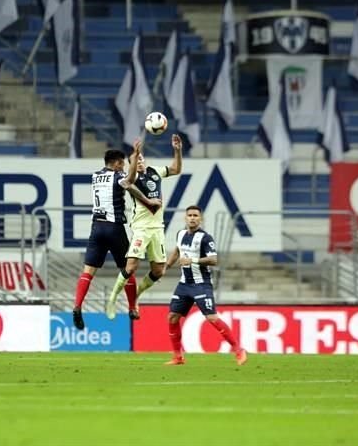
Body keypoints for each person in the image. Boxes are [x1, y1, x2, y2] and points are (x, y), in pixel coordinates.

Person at [72, 148, 160, 330]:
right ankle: (132, 307)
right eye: (123, 163)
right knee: (128, 268)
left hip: (96, 228)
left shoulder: (96, 176)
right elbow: (129, 183)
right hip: (114, 228)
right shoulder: (117, 175)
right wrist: (149, 201)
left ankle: (77, 306)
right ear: (118, 163)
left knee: (88, 272)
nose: (124, 166)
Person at [106, 134, 182, 319]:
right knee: (131, 266)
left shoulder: (155, 171)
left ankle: (137, 295)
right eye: (135, 160)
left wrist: (178, 151)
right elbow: (129, 181)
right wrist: (134, 154)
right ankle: (113, 298)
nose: (139, 161)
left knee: (159, 271)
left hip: (157, 228)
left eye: (140, 158)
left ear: (145, 160)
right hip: (141, 227)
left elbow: (176, 169)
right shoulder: (129, 177)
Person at [163, 205, 247, 366]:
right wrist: (166, 266)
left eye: (195, 215)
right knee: (172, 317)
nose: (192, 218)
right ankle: (178, 357)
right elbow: (177, 251)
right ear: (185, 218)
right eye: (190, 215)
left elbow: (213, 259)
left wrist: (192, 260)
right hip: (184, 284)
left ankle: (239, 350)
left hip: (201, 284)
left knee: (211, 318)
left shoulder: (206, 238)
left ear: (200, 219)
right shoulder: (180, 234)